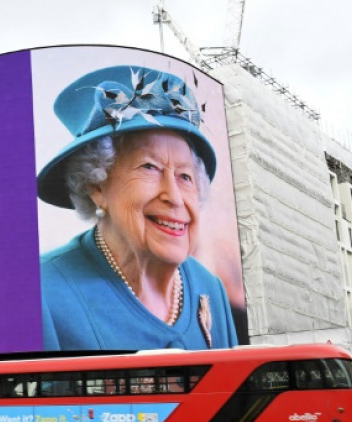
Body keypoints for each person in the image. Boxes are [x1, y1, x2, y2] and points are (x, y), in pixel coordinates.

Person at [37, 65, 238, 351]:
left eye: (185, 176)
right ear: (96, 186)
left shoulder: (211, 289)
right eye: (150, 167)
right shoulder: (43, 293)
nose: (175, 197)